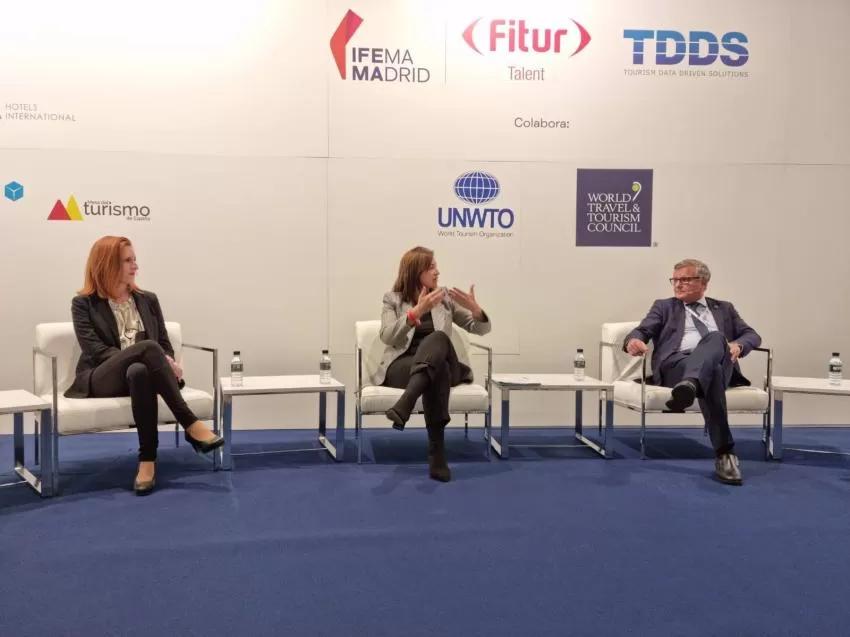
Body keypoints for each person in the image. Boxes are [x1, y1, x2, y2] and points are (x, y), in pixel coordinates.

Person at [65, 236, 223, 495]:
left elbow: (164, 343)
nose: (135, 266)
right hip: (102, 377)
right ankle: (190, 424)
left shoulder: (148, 299)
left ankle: (147, 460)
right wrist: (152, 356)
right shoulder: (84, 304)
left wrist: (166, 359)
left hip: (140, 377)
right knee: (147, 348)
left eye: (134, 259)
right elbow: (96, 351)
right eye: (127, 260)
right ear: (107, 264)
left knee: (139, 370)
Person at [623, 258, 761, 485]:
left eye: (686, 279)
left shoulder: (724, 308)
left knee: (716, 339)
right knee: (713, 371)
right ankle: (725, 453)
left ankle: (691, 385)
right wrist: (633, 341)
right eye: (675, 280)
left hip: (717, 363)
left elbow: (752, 335)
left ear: (704, 283)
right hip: (677, 365)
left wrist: (739, 344)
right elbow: (642, 330)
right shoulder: (664, 306)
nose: (678, 284)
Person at [376, 246, 492, 482]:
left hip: (438, 362)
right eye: (431, 267)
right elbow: (387, 336)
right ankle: (437, 454)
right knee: (437, 372)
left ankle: (406, 402)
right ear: (415, 271)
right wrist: (416, 312)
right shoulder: (392, 299)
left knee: (438, 338)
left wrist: (476, 311)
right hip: (404, 366)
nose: (437, 272)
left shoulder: (444, 298)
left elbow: (480, 329)